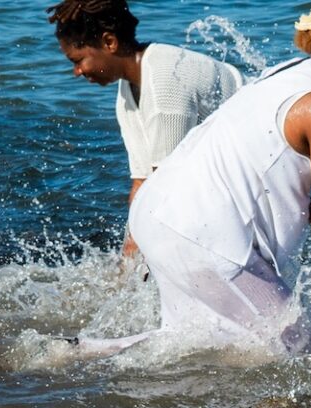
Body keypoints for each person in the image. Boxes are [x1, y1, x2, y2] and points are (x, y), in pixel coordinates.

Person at [86, 0, 311, 354]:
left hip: (158, 214)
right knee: (304, 349)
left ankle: (77, 353)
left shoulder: (282, 75)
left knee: (195, 344)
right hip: (203, 236)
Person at [46, 0, 245, 260]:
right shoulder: (128, 89)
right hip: (230, 168)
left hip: (265, 154)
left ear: (109, 42)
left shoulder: (165, 83)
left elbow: (166, 190)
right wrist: (128, 255)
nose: (76, 71)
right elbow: (142, 182)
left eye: (78, 60)